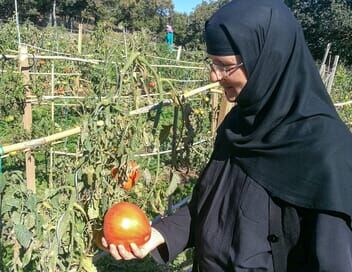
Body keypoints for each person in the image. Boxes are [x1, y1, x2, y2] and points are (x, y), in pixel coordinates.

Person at [102, 0, 352, 271]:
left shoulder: (327, 154)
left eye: (225, 65)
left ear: (269, 60)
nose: (213, 76)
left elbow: (334, 262)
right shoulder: (239, 125)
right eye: (211, 62)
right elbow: (209, 206)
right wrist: (158, 235)